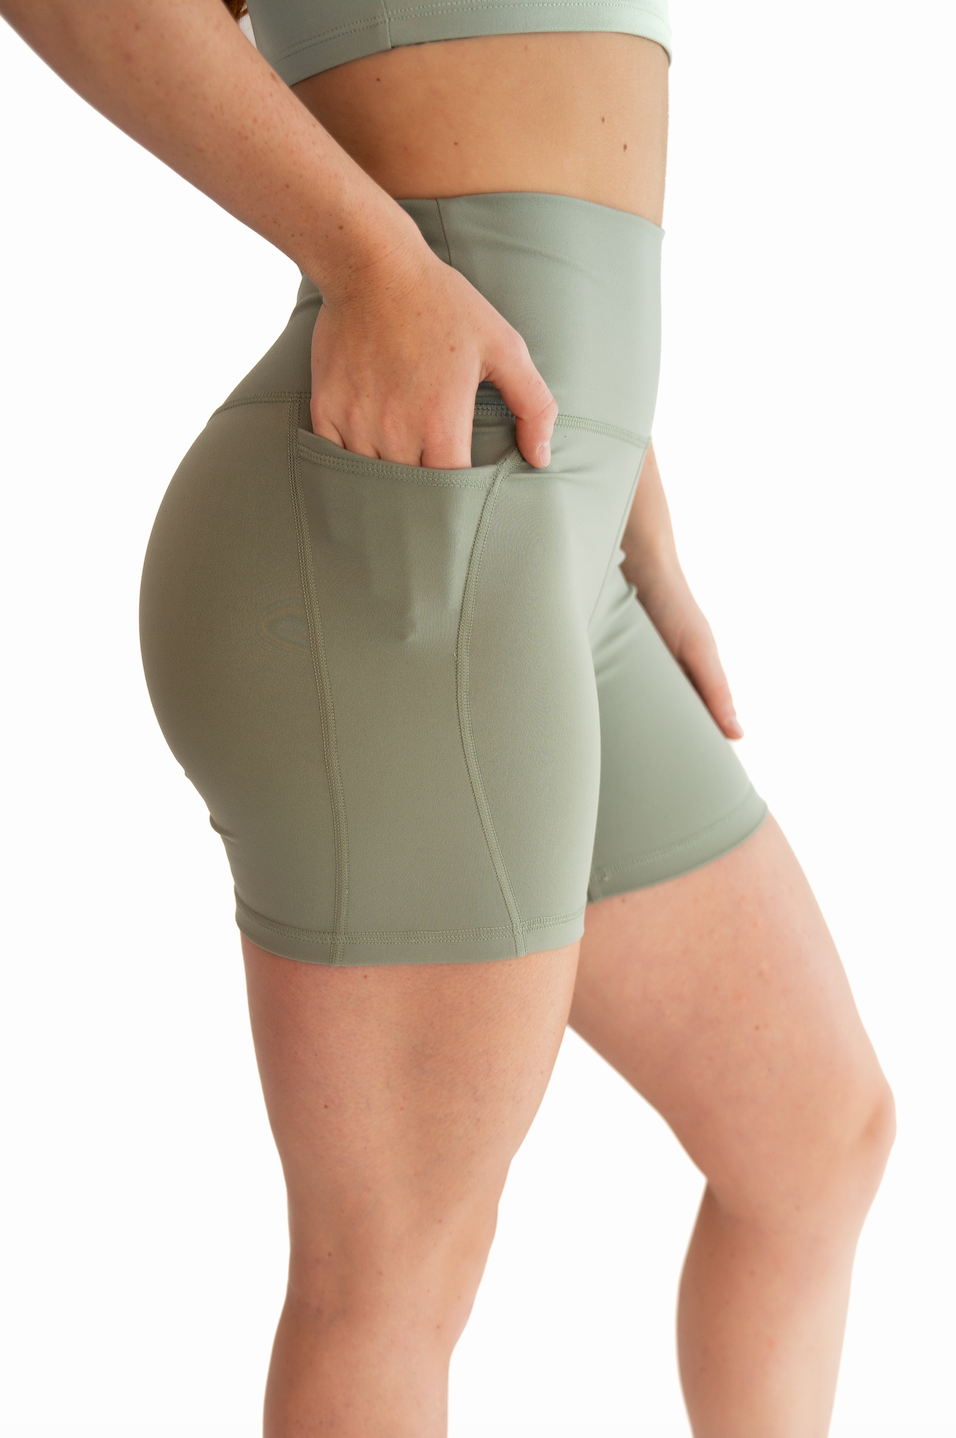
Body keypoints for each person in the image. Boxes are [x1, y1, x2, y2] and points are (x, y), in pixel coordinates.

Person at [3, 2, 895, 1434]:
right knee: (393, 1276)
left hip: (544, 529)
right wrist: (371, 261)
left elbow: (536, 146)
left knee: (815, 1135)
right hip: (411, 513)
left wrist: (634, 513)